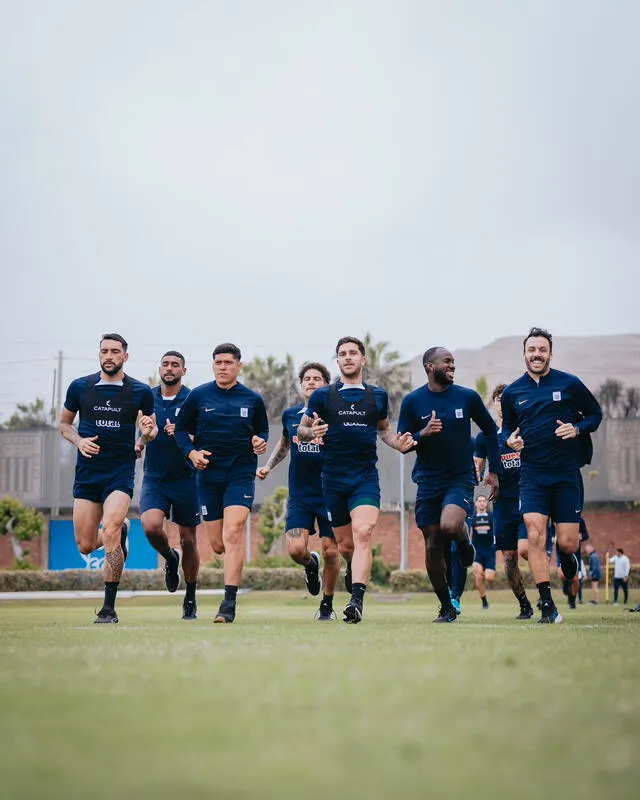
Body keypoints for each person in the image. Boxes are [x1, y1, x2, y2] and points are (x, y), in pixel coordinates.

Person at [297, 336, 413, 624]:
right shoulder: (323, 396)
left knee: (363, 532)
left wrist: (398, 444)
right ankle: (352, 569)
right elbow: (301, 431)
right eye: (342, 354)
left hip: (364, 478)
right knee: (345, 547)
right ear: (337, 361)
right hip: (333, 480)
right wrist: (312, 433)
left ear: (363, 359)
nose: (348, 357)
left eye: (353, 353)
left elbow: (384, 430)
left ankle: (357, 601)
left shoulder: (377, 396)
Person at [501, 327, 603, 623]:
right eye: (531, 350)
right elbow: (508, 428)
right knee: (534, 536)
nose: (536, 354)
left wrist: (578, 428)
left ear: (549, 353)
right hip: (532, 475)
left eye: (542, 350)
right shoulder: (512, 392)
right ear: (524, 353)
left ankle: (568, 556)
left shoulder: (570, 384)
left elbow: (595, 415)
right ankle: (547, 604)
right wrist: (510, 440)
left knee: (568, 543)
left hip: (566, 475)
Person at [397, 346, 500, 623]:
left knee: (450, 526)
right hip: (428, 480)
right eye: (447, 362)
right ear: (430, 367)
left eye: (454, 361)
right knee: (432, 545)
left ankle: (465, 543)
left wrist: (494, 471)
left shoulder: (467, 397)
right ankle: (446, 606)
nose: (452, 365)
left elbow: (490, 430)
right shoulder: (412, 401)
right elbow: (402, 443)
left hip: (460, 477)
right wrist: (423, 433)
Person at [59, 333, 155, 623]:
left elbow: (150, 430)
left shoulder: (140, 391)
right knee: (86, 545)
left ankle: (108, 608)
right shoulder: (80, 387)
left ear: (126, 356)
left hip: (120, 471)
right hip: (88, 473)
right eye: (104, 351)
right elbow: (63, 423)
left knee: (110, 529)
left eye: (115, 351)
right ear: (99, 354)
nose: (109, 355)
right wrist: (79, 441)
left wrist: (146, 435)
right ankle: (122, 530)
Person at [174, 343, 268, 624]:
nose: (223, 367)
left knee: (233, 533)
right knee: (217, 544)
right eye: (218, 362)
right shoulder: (199, 396)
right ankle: (232, 563)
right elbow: (180, 430)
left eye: (228, 362)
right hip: (208, 477)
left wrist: (259, 440)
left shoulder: (252, 399)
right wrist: (192, 453)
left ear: (239, 366)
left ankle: (228, 603)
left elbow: (261, 430)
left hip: (240, 474)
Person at [257, 361, 340, 620]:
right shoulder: (291, 415)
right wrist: (268, 466)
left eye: (318, 378)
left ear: (326, 385)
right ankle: (310, 564)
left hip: (331, 492)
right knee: (295, 550)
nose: (312, 382)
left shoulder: (337, 415)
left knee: (331, 551)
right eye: (307, 379)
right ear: (301, 385)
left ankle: (326, 605)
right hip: (301, 495)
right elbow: (284, 443)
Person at [137, 351, 200, 620]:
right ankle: (169, 558)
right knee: (150, 526)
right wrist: (140, 442)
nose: (170, 368)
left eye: (175, 365)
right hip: (155, 477)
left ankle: (190, 597)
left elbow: (205, 435)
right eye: (165, 364)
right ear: (159, 368)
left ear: (183, 371)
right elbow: (138, 431)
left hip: (187, 478)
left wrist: (185, 434)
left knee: (188, 539)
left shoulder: (193, 399)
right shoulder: (145, 397)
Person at [474, 384, 534, 619]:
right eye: (499, 398)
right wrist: (479, 472)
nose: (502, 402)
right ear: (494, 403)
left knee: (527, 549)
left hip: (529, 498)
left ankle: (545, 593)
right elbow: (477, 468)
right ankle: (524, 605)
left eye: (507, 398)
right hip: (503, 504)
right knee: (509, 559)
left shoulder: (527, 430)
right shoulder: (486, 436)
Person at [470, 494, 495, 609]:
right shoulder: (472, 518)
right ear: (476, 503)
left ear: (486, 503)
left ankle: (487, 573)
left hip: (489, 551)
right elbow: (469, 534)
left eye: (483, 501)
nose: (481, 503)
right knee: (479, 575)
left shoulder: (491, 517)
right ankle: (484, 600)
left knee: (489, 578)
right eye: (479, 501)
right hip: (477, 552)